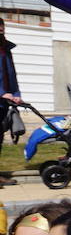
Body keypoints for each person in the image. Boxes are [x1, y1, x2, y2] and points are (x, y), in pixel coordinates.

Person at [0, 18, 22, 185]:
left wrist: (16, 93)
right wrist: (1, 93)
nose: (1, 29)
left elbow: (11, 75)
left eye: (2, 26)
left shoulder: (6, 49)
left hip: (3, 104)